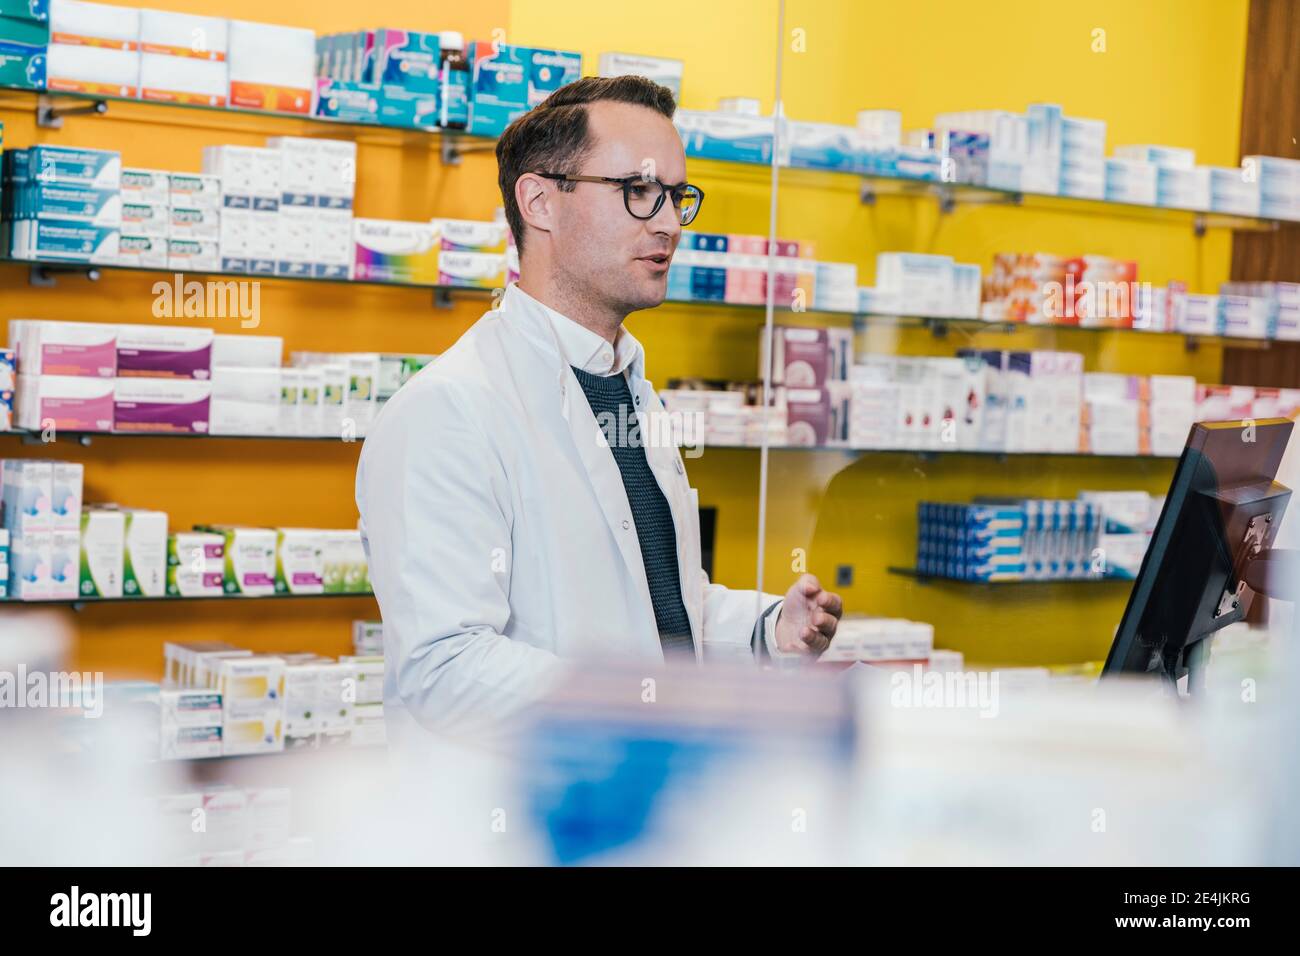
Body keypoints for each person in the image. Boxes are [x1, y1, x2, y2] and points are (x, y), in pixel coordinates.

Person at [356, 75, 843, 735]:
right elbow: (444, 666)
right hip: (520, 818)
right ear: (540, 202)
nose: (669, 222)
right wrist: (635, 701)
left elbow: (658, 606)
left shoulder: (627, 386)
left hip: (643, 795)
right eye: (637, 192)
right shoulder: (450, 410)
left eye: (676, 196)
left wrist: (765, 631)